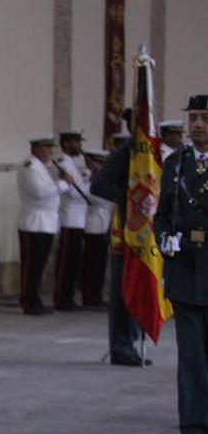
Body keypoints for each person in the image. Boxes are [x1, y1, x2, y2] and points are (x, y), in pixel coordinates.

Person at [154, 94, 208, 434]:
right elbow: (161, 217)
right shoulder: (175, 164)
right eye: (194, 118)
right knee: (191, 362)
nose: (198, 125)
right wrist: (164, 240)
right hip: (187, 274)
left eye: (205, 118)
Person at [91, 130, 150, 365]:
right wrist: (130, 197)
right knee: (122, 290)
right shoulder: (125, 152)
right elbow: (99, 186)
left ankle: (131, 341)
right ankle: (120, 346)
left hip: (146, 232)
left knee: (141, 288)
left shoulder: (151, 152)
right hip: (125, 231)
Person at [16, 136, 66, 315]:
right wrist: (63, 184)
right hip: (33, 223)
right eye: (47, 148)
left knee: (40, 266)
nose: (50, 152)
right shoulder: (29, 167)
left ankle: (34, 298)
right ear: (36, 149)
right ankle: (28, 300)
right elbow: (40, 192)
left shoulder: (41, 168)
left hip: (45, 223)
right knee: (31, 266)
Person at [53, 130, 91, 311]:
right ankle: (61, 297)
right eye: (76, 142)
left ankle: (68, 297)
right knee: (66, 262)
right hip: (69, 218)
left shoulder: (72, 164)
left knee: (74, 262)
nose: (79, 146)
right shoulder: (63, 163)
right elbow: (74, 192)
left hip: (78, 219)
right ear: (67, 143)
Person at [81, 149, 114, 308]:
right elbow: (93, 198)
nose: (101, 167)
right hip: (93, 223)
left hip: (104, 223)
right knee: (91, 263)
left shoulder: (103, 181)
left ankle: (97, 295)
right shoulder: (88, 179)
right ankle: (88, 295)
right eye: (99, 163)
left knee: (100, 263)